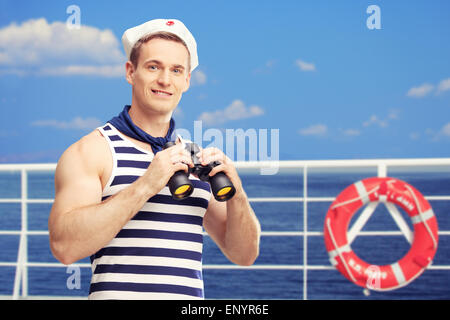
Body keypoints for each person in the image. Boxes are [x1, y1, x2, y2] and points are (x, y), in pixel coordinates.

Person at [48, 18, 261, 300]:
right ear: (130, 71)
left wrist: (238, 196)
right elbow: (65, 247)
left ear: (186, 81)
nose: (165, 80)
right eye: (153, 67)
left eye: (176, 70)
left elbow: (244, 254)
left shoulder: (194, 158)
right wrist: (147, 184)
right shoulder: (93, 151)